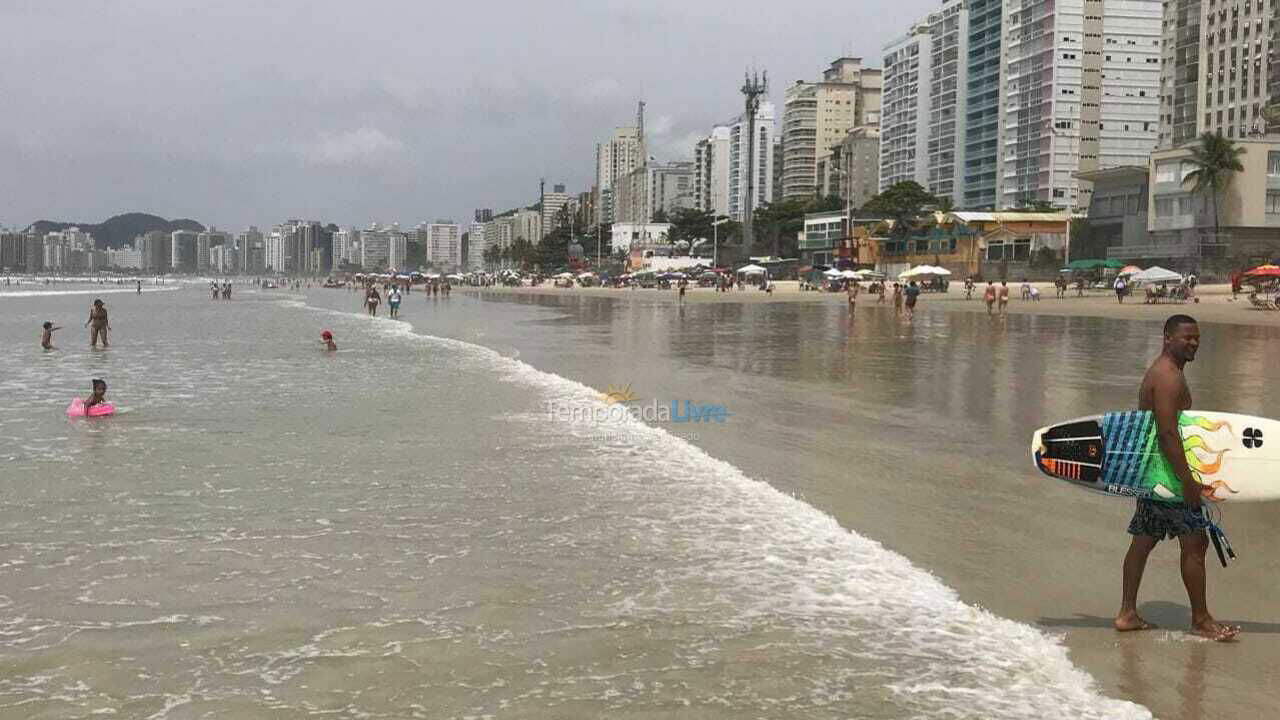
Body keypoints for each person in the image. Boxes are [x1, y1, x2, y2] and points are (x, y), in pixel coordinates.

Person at [1116, 315, 1240, 641]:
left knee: (1143, 541)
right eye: (1187, 337)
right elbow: (1168, 434)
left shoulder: (1166, 372)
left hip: (1153, 474)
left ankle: (1127, 613)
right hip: (1168, 477)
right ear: (1167, 337)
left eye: (1197, 337)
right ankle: (1201, 620)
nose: (1194, 343)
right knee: (1195, 542)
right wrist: (1187, 482)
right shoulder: (1168, 377)